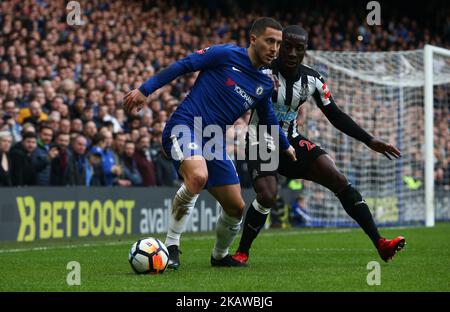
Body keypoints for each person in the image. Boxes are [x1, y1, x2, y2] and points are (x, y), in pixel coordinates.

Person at [123, 17, 296, 268]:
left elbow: (269, 118)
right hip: (185, 126)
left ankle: (219, 256)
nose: (275, 48)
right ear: (253, 39)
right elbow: (183, 65)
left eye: (278, 44)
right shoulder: (225, 54)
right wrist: (145, 90)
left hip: (213, 140)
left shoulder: (262, 85)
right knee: (197, 177)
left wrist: (286, 145)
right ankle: (172, 247)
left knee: (236, 207)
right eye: (270, 41)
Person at [232, 25, 405, 265]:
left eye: (299, 48)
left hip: (292, 140)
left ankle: (380, 243)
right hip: (262, 140)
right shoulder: (261, 71)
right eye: (288, 46)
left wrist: (370, 140)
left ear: (305, 51)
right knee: (268, 195)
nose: (292, 53)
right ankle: (242, 252)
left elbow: (335, 114)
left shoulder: (312, 79)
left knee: (338, 178)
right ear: (279, 47)